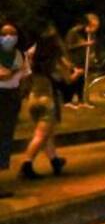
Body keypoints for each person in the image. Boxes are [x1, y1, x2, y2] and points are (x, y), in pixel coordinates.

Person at [20, 24, 71, 180]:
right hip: (47, 100)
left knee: (47, 134)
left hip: (32, 99)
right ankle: (27, 163)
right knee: (41, 135)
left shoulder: (30, 56)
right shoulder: (51, 62)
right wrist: (73, 74)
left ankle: (55, 160)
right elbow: (65, 80)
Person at [0, 22, 31, 198]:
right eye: (4, 34)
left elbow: (26, 75)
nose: (8, 38)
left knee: (5, 139)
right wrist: (10, 73)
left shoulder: (19, 55)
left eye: (12, 34)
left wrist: (22, 93)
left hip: (11, 98)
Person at [63, 13, 99, 109]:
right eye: (92, 25)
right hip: (73, 59)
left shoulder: (89, 33)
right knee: (73, 80)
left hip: (83, 60)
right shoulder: (74, 32)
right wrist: (84, 44)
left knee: (82, 80)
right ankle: (67, 101)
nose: (94, 28)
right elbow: (69, 46)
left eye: (95, 26)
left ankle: (81, 100)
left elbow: (92, 45)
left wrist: (92, 53)